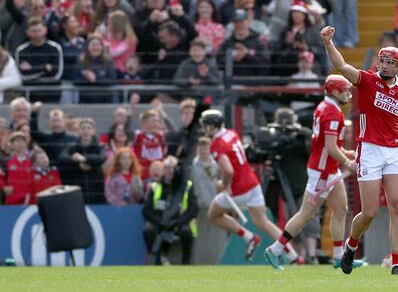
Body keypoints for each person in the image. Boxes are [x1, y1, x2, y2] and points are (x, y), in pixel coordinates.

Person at [321, 26, 398, 275]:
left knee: (397, 205)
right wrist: (329, 44)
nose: (384, 65)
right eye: (382, 61)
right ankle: (351, 244)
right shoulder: (368, 80)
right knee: (369, 212)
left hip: (393, 151)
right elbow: (342, 67)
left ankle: (396, 263)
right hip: (369, 149)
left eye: (390, 63)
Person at [264, 75, 360, 270]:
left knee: (341, 209)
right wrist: (348, 162)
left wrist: (345, 152)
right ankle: (275, 249)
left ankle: (338, 257)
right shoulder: (332, 112)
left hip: (327, 167)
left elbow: (328, 145)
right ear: (334, 91)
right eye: (344, 90)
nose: (348, 94)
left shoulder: (324, 107)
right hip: (322, 171)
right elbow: (330, 147)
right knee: (306, 214)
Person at [202, 109, 296, 262]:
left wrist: (223, 184)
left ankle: (248, 237)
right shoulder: (231, 133)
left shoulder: (217, 145)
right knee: (263, 222)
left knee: (213, 214)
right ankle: (293, 255)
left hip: (239, 188)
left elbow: (228, 170)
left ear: (212, 126)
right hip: (252, 182)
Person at [142, 156, 198, 266]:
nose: (171, 171)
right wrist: (161, 221)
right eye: (167, 168)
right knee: (148, 231)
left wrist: (178, 221)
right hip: (160, 222)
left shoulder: (187, 186)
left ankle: (186, 263)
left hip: (180, 222)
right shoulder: (155, 186)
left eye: (174, 168)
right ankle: (157, 261)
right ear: (163, 169)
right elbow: (146, 211)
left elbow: (193, 208)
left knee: (186, 233)